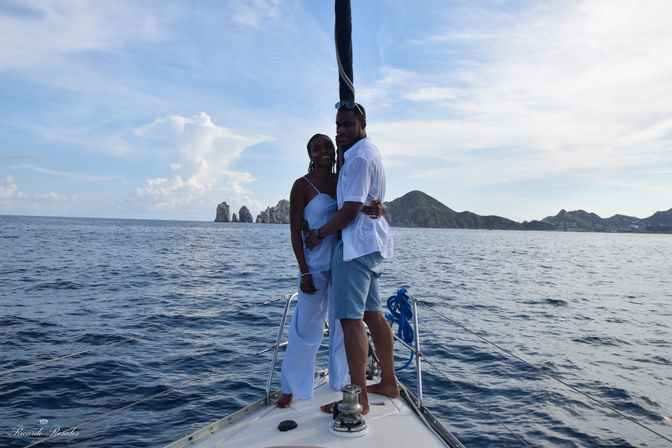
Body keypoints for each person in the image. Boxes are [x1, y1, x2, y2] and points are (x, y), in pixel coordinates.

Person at [277, 133, 385, 408]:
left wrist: (381, 207)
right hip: (315, 266)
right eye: (317, 148)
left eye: (327, 146)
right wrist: (303, 272)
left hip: (343, 262)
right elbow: (294, 233)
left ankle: (342, 382)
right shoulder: (301, 186)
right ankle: (292, 387)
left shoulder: (342, 179)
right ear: (310, 154)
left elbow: (355, 207)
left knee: (342, 328)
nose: (324, 151)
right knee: (305, 329)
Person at [305, 102, 398, 415]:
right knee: (374, 315)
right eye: (338, 125)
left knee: (349, 319)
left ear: (362, 122)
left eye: (347, 124)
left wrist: (319, 233)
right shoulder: (371, 150)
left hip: (356, 247)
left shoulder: (357, 157)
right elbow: (370, 201)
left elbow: (349, 210)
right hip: (372, 246)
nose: (341, 131)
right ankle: (389, 382)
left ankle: (359, 400)